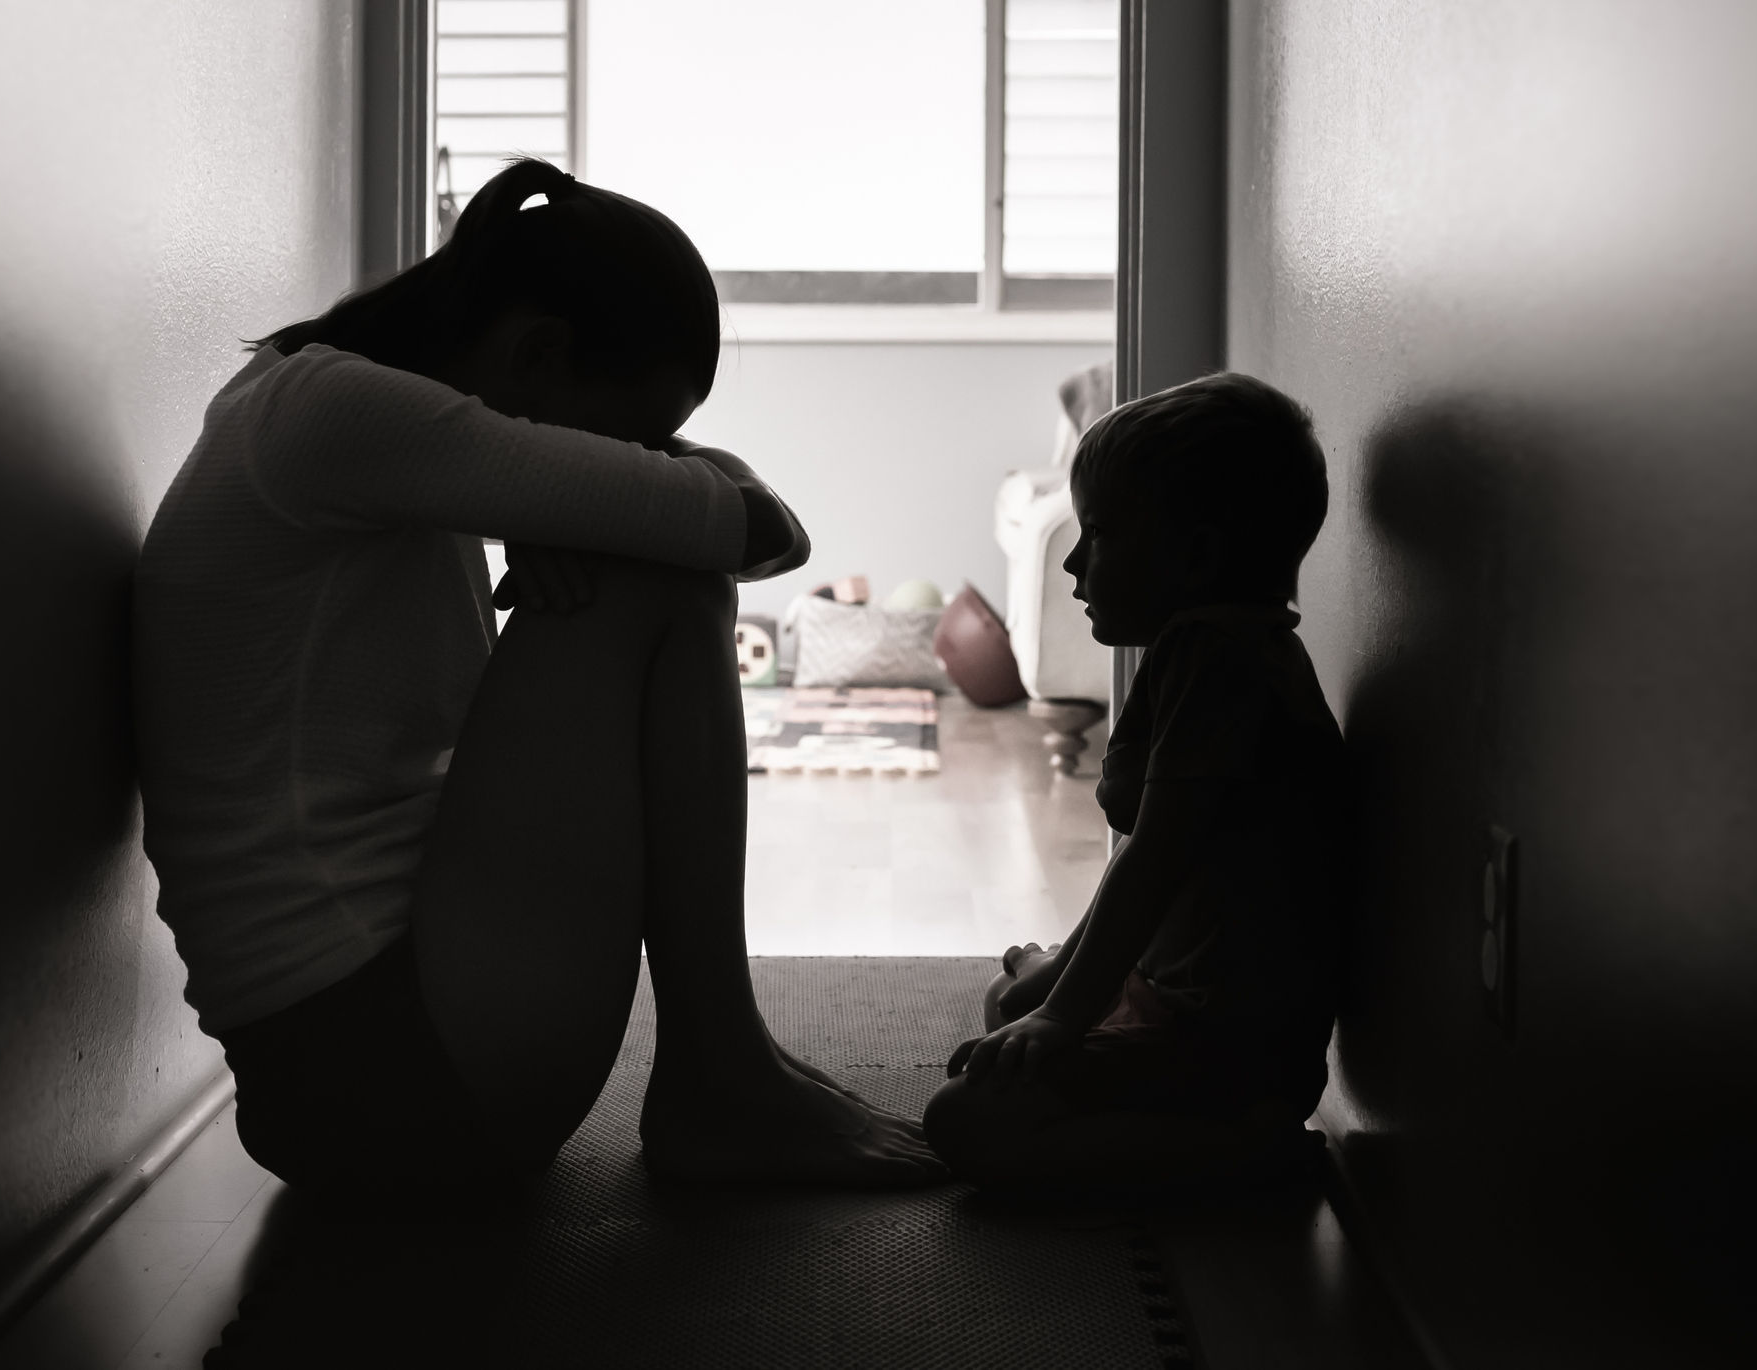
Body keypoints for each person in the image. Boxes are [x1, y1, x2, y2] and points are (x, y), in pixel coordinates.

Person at [134, 158, 943, 1198]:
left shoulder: (328, 419)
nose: (637, 464)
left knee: (648, 558)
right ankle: (720, 1072)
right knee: (660, 579)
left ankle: (725, 1065)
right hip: (379, 1074)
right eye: (632, 439)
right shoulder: (337, 413)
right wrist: (616, 498)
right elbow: (757, 527)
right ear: (533, 349)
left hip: (368, 1066)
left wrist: (563, 490)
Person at [923, 373, 1346, 1191]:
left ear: (1194, 558)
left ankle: (1243, 1158)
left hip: (1222, 1043)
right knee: (1007, 1010)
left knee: (966, 1121)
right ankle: (1187, 1106)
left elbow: (1152, 858)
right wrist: (1055, 996)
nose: (1076, 563)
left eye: (1100, 535)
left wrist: (1065, 1011)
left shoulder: (1216, 661)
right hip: (1179, 999)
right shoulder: (1213, 645)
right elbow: (1145, 861)